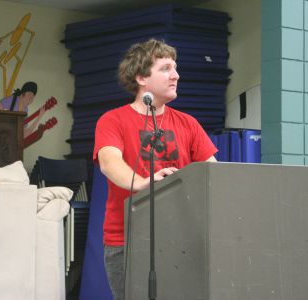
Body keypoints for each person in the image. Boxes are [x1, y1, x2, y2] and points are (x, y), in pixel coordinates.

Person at [93, 38, 218, 299]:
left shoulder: (188, 123)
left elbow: (212, 176)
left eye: (175, 68)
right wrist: (142, 182)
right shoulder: (112, 120)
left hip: (180, 239)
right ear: (141, 78)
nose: (176, 75)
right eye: (166, 69)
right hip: (126, 240)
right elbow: (109, 161)